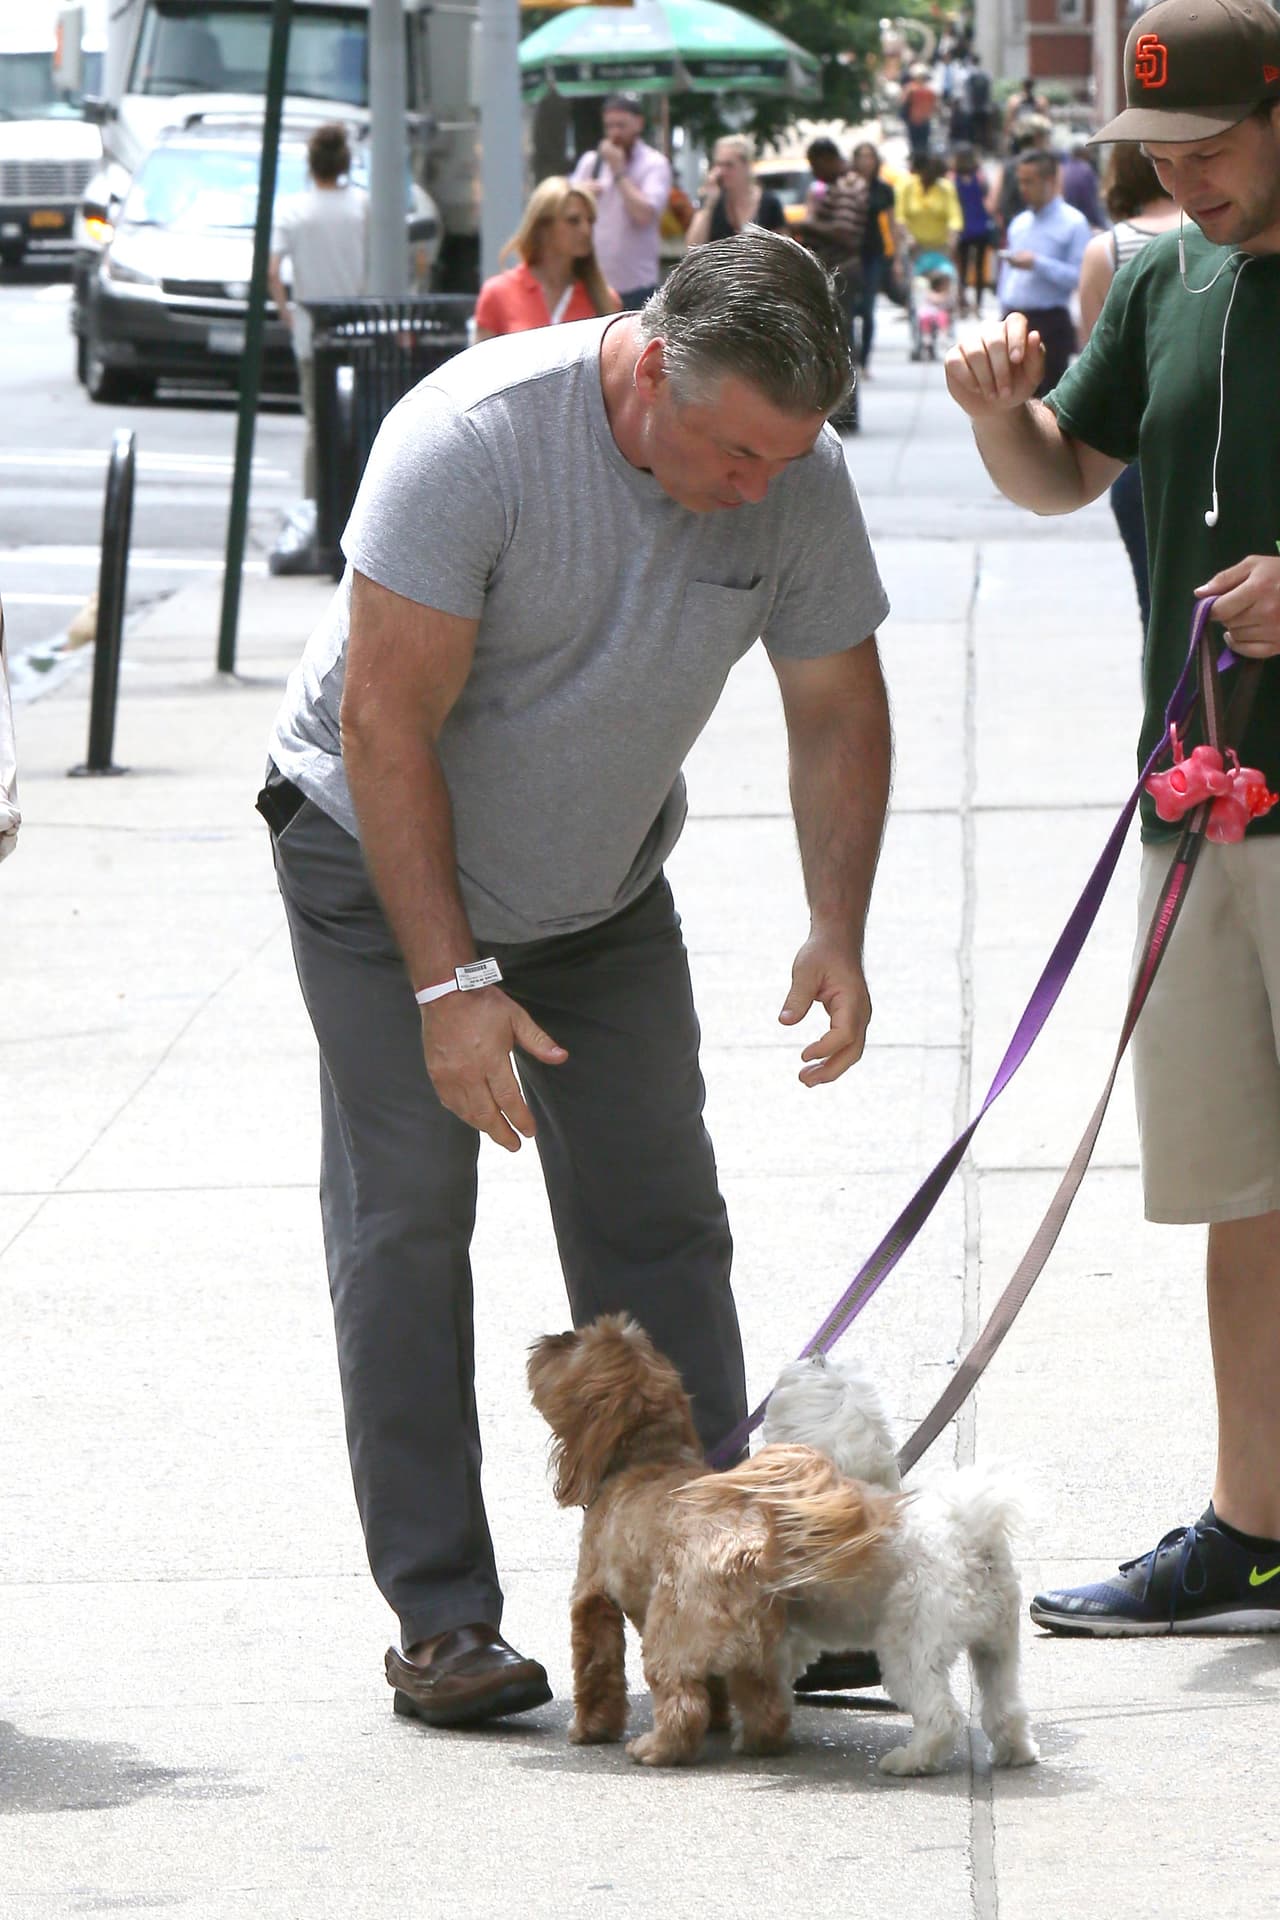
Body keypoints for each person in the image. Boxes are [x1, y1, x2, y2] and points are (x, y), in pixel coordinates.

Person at [259, 227, 894, 1724]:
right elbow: (382, 723)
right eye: (737, 451)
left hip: (597, 886)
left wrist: (837, 921)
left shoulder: (791, 472)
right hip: (376, 862)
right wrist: (447, 985)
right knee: (408, 1218)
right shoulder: (473, 444)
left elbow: (837, 707)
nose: (760, 487)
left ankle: (724, 1581)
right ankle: (443, 1619)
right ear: (653, 363)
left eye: (784, 459)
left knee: (660, 1217)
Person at [945, 0, 1280, 1638]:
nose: (1183, 180)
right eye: (1157, 156)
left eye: (1210, 148)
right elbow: (1060, 473)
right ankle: (1252, 1526)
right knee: (1238, 1192)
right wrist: (994, 407)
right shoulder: (1158, 277)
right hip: (1193, 810)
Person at [1077, 145, 1179, 633]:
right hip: (1221, 448)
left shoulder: (1108, 250)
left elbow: (1099, 362)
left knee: (1156, 614)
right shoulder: (1233, 236)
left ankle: (1167, 710)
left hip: (1137, 450)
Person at [268, 121, 368, 503]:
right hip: (359, 331)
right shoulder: (361, 205)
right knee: (359, 422)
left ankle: (314, 504)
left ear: (310, 164)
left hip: (312, 331)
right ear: (345, 163)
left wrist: (286, 312)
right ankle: (354, 504)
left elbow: (273, 271)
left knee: (317, 423)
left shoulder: (294, 210)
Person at [473, 178, 618, 342]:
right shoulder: (498, 294)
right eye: (573, 221)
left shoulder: (605, 299)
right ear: (543, 228)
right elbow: (480, 366)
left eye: (590, 221)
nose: (586, 230)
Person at [995, 148, 1089, 396]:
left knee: (1046, 400)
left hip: (1049, 323)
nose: (1023, 188)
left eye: (1029, 181)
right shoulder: (1020, 223)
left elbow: (1079, 277)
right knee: (1010, 400)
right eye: (1020, 181)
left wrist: (1038, 263)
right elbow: (1007, 275)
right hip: (1012, 319)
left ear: (1049, 181)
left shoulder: (1073, 223)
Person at [570, 91, 672, 309]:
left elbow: (644, 215)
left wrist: (619, 172)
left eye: (621, 125)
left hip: (636, 286)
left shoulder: (654, 164)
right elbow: (564, 207)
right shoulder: (591, 162)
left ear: (639, 124)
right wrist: (581, 192)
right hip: (593, 283)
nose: (615, 133)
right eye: (610, 126)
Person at [851, 141, 901, 373]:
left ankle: (864, 361)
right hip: (850, 251)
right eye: (861, 156)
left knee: (869, 308)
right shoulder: (848, 185)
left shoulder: (883, 189)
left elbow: (892, 225)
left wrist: (897, 258)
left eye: (870, 156)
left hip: (874, 251)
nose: (866, 161)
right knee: (849, 309)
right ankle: (851, 358)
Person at [685, 135, 787, 248]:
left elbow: (783, 249)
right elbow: (692, 247)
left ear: (746, 165)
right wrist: (708, 205)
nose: (722, 172)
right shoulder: (714, 203)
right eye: (719, 165)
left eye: (729, 165)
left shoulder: (769, 203)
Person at [898, 152, 962, 272]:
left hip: (940, 248)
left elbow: (955, 219)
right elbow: (900, 216)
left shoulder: (946, 188)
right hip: (915, 248)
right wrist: (908, 237)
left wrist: (952, 239)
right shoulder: (907, 186)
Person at [952, 147, 995, 315]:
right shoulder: (980, 179)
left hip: (963, 226)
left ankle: (963, 303)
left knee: (961, 267)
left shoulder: (953, 180)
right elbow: (988, 202)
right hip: (981, 225)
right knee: (978, 267)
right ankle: (978, 305)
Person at [1061, 140, 1107, 228]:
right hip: (1085, 221)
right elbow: (1092, 202)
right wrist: (1101, 225)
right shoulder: (1086, 170)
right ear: (1084, 153)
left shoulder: (1063, 169)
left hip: (1067, 220)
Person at [902, 64, 939, 160]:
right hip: (922, 120)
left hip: (915, 120)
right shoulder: (930, 90)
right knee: (922, 143)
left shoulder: (910, 89)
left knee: (915, 142)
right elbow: (935, 106)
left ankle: (917, 159)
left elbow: (903, 102)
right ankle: (921, 159)